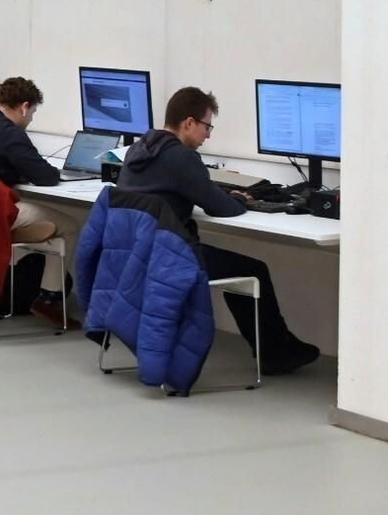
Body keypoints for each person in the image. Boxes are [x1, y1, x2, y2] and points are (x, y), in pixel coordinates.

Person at [117, 87, 320, 374]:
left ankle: (274, 347)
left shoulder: (139, 149)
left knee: (233, 267)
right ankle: (276, 353)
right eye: (207, 126)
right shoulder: (182, 157)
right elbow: (221, 208)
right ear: (189, 123)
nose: (208, 136)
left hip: (137, 254)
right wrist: (239, 198)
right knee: (253, 270)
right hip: (171, 257)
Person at [0, 76, 75, 328]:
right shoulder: (10, 133)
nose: (31, 120)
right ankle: (48, 299)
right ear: (24, 106)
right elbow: (46, 177)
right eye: (32, 113)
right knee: (71, 224)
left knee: (49, 218)